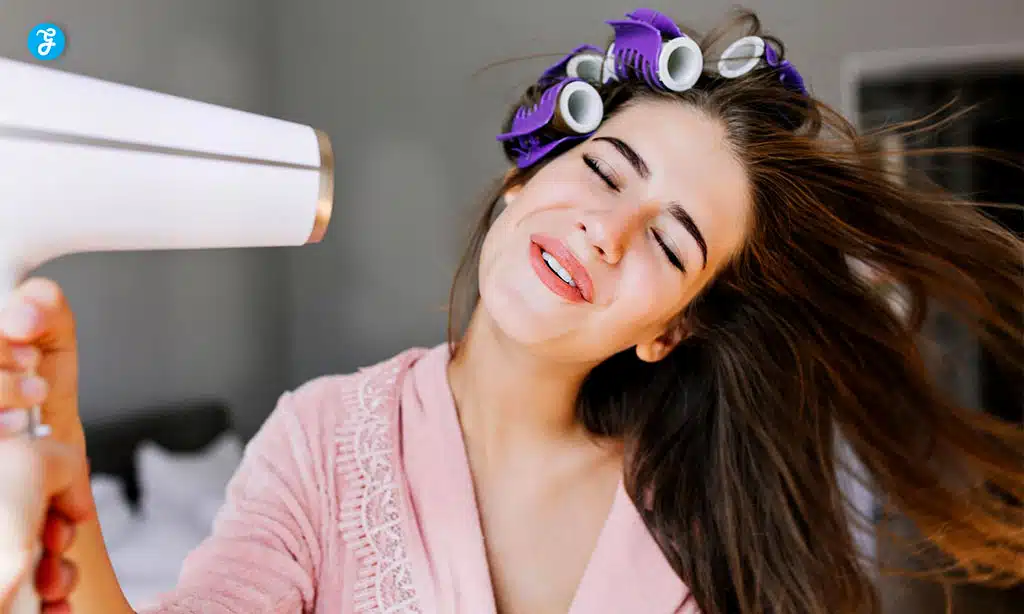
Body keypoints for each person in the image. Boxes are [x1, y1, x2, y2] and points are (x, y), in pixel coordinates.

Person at [0, 7, 1021, 614]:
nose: (605, 231)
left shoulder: (706, 522)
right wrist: (73, 507)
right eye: (605, 168)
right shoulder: (321, 439)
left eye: (670, 242)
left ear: (669, 326)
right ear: (528, 178)